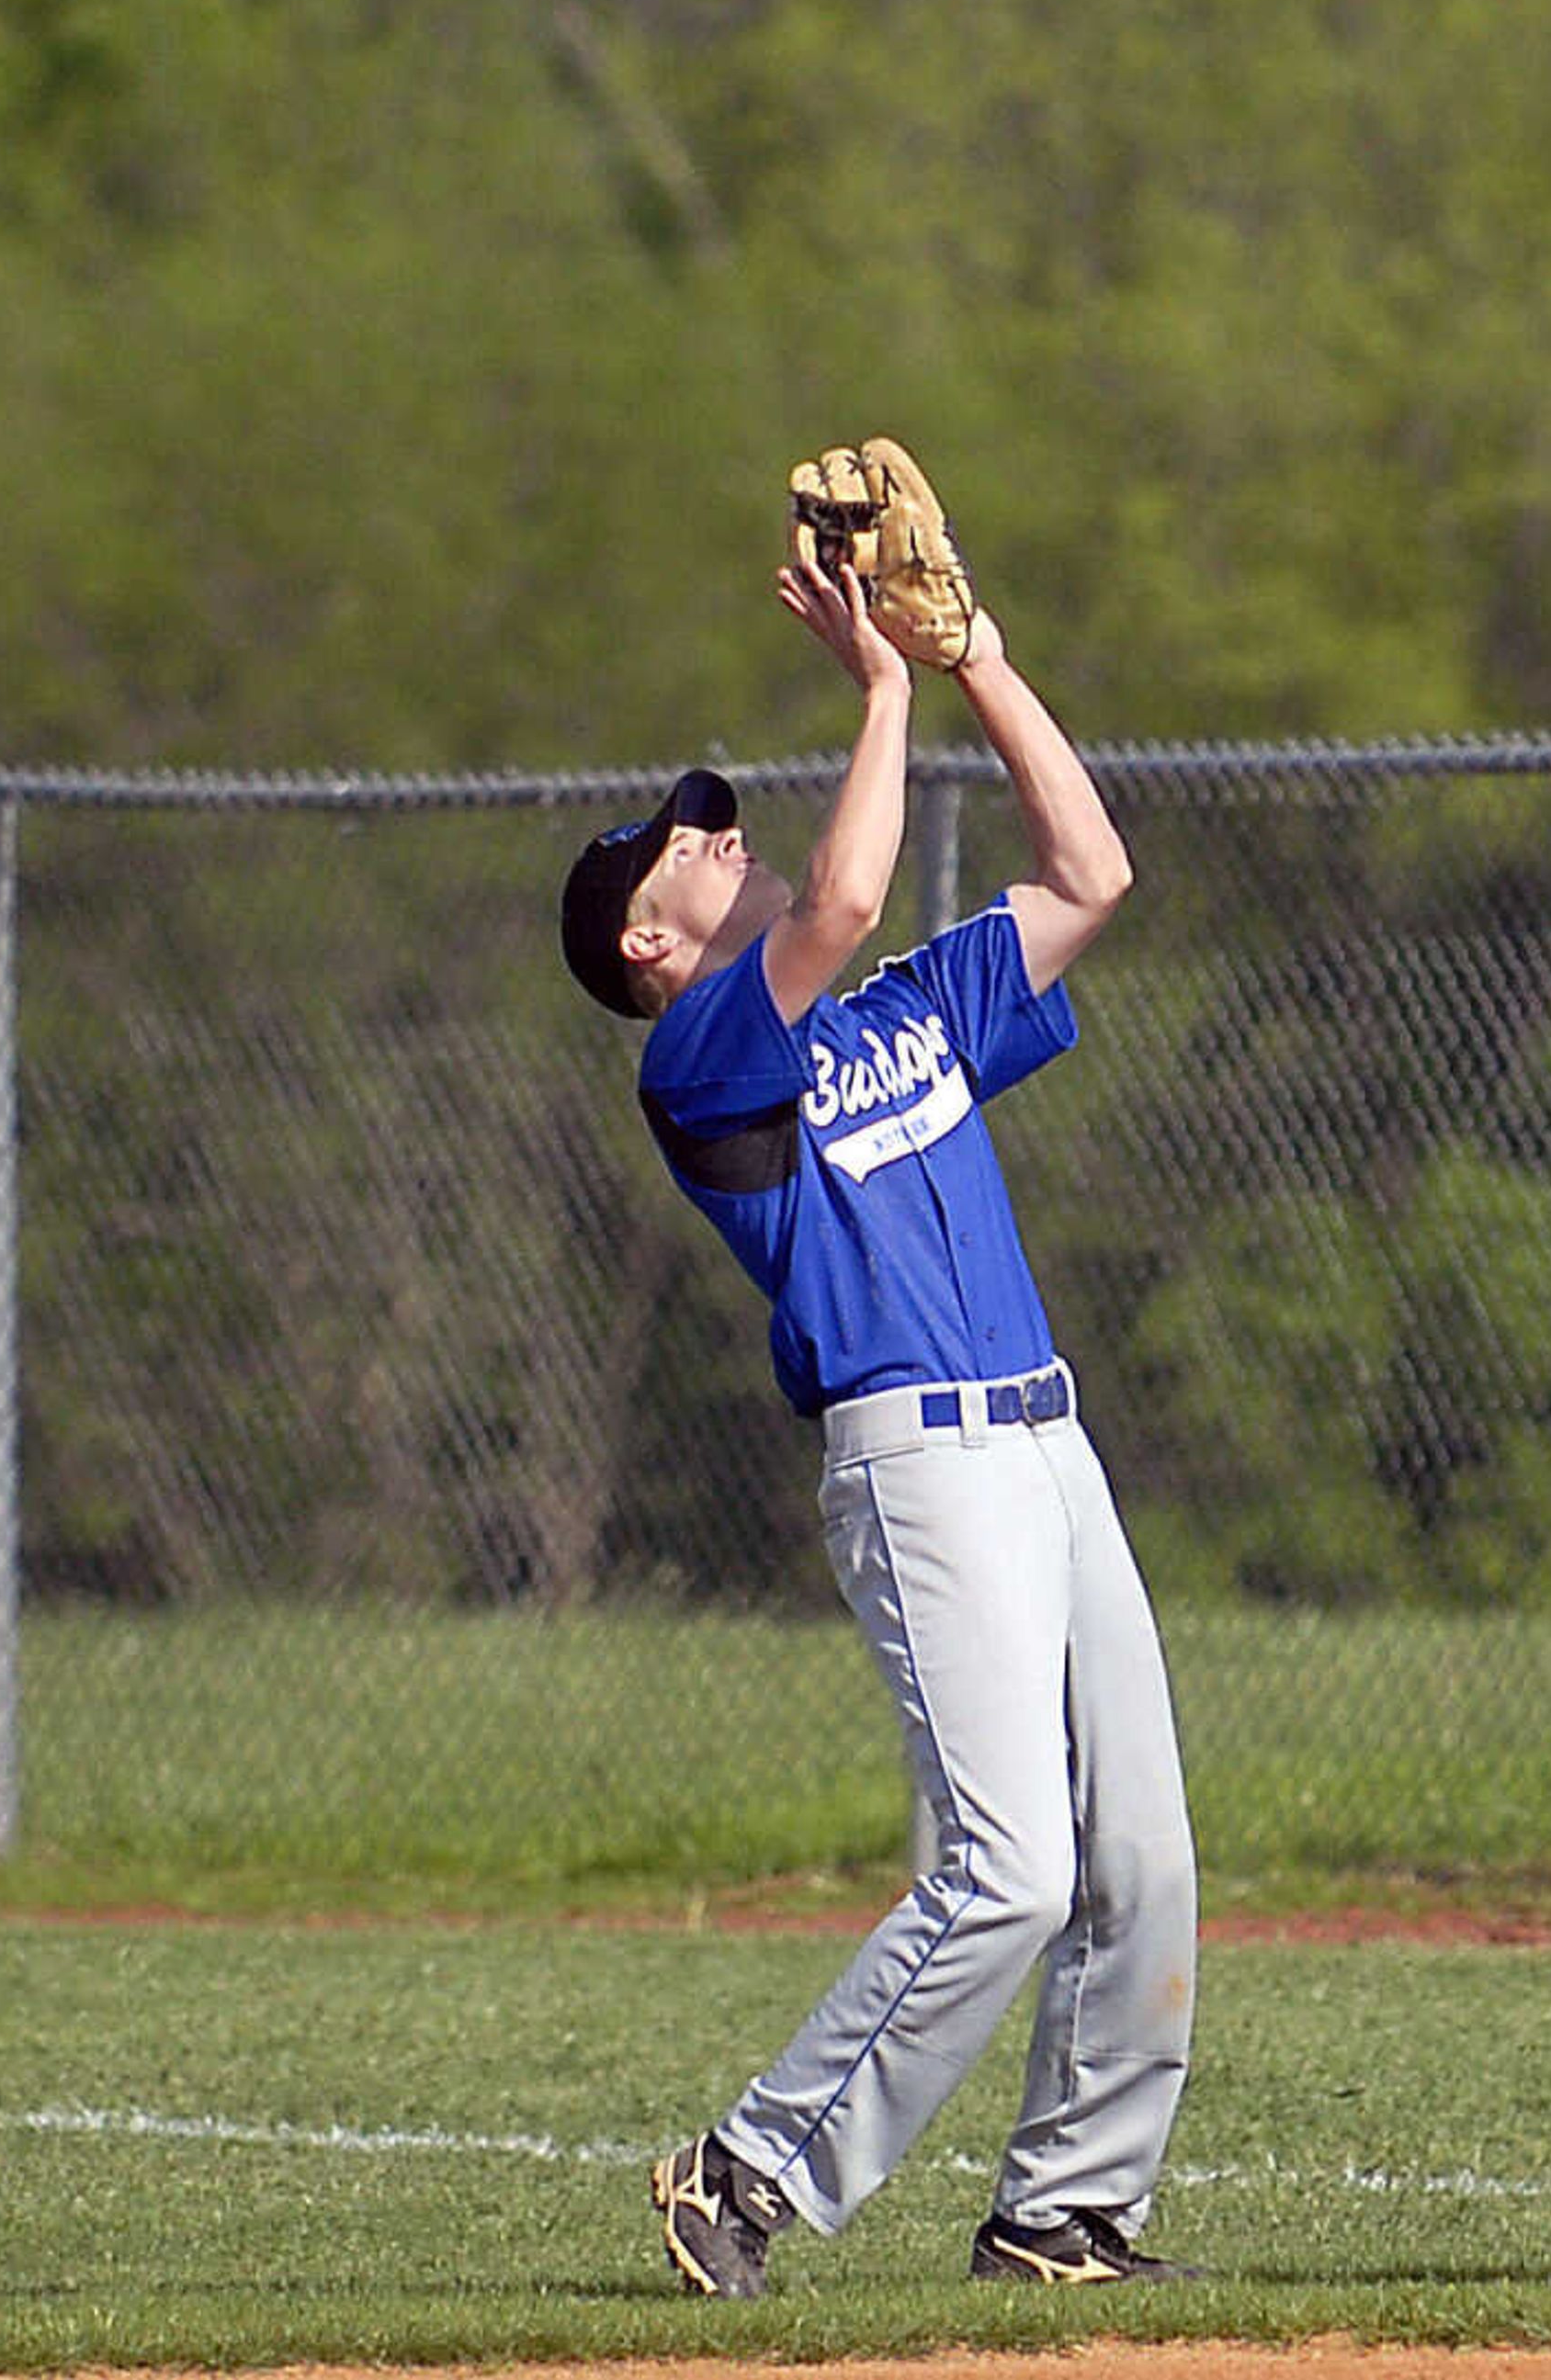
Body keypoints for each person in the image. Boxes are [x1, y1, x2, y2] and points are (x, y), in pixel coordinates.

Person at [559, 532, 1199, 2296]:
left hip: (1045, 1439)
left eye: (710, 822)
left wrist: (975, 646)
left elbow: (1093, 865)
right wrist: (882, 689)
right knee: (1010, 1865)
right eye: (681, 848)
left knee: (1135, 1849)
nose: (717, 838)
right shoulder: (693, 1061)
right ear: (647, 939)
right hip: (917, 1452)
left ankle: (1069, 2204)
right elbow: (835, 899)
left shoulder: (902, 1013)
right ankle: (749, 2173)